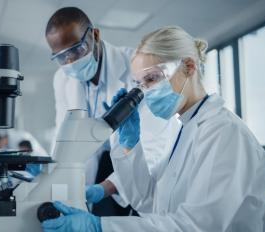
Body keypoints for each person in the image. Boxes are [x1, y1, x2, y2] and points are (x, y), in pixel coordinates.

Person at [41, 25, 265, 232]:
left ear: (188, 67)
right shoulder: (186, 129)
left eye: (151, 79)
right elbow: (150, 201)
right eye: (140, 84)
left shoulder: (224, 133)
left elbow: (196, 226)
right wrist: (130, 146)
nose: (146, 92)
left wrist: (100, 226)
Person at [46, 7, 179, 216]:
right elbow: (65, 137)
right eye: (61, 57)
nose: (70, 62)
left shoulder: (137, 69)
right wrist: (52, 173)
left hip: (137, 159)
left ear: (95, 35)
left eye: (76, 50)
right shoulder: (62, 79)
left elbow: (153, 146)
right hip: (97, 164)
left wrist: (105, 188)